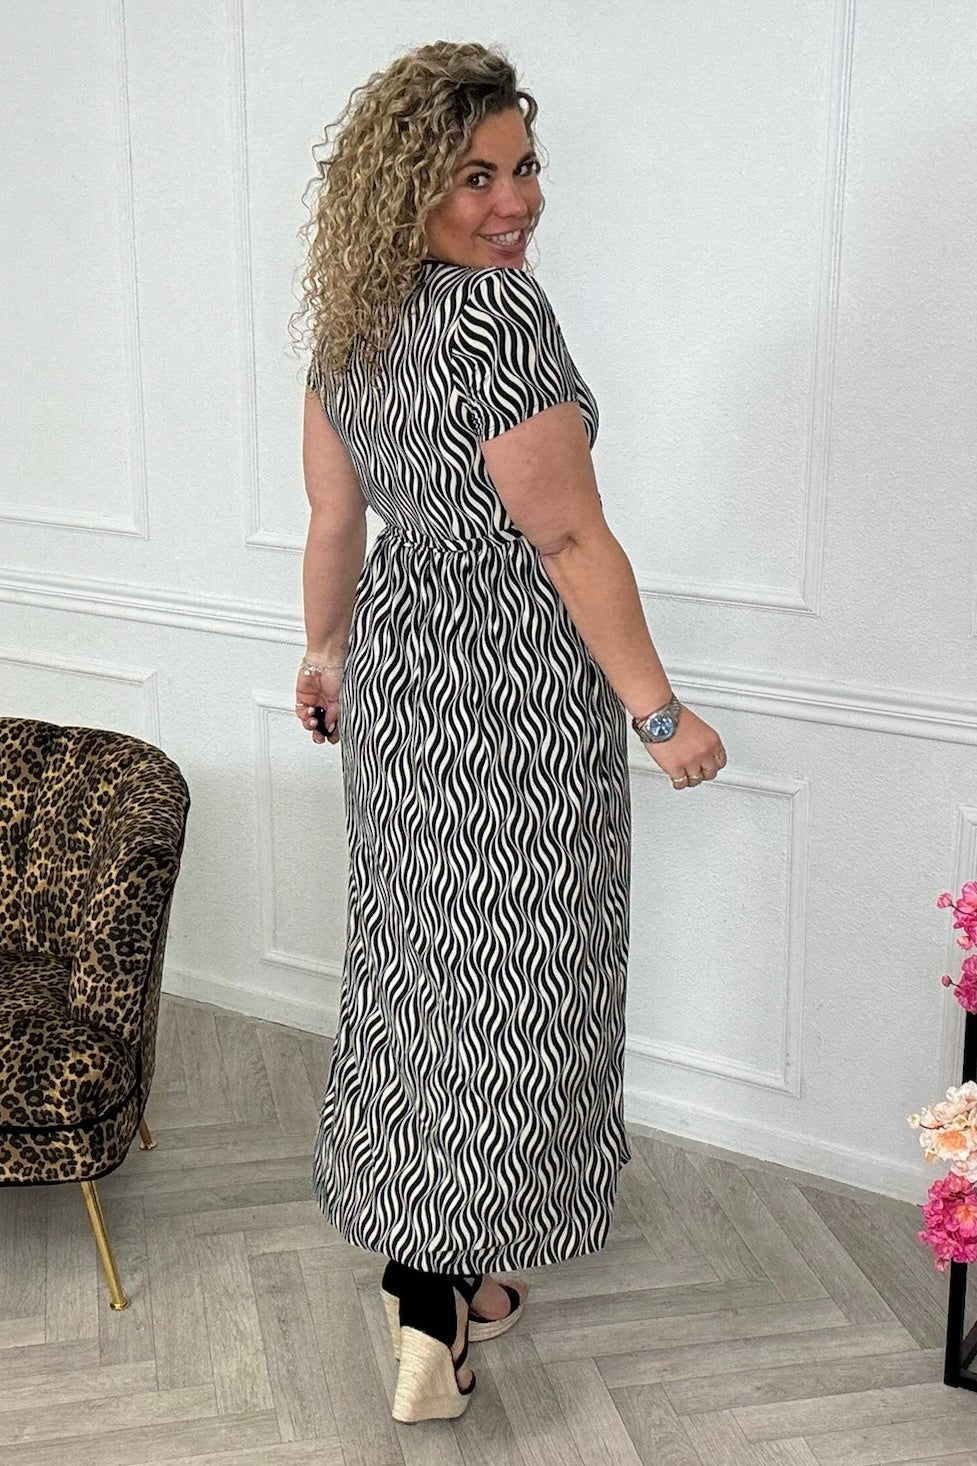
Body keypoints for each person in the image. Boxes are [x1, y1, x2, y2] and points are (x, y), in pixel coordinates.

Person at [293, 41, 726, 1424]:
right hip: (513, 692)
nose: (515, 200)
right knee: (509, 991)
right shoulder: (497, 318)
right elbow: (567, 537)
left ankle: (448, 1270)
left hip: (402, 677)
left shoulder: (352, 322)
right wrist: (657, 710)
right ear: (408, 185)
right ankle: (431, 1305)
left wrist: (325, 651)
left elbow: (335, 519)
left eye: (523, 167)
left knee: (420, 971)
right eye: (475, 175)